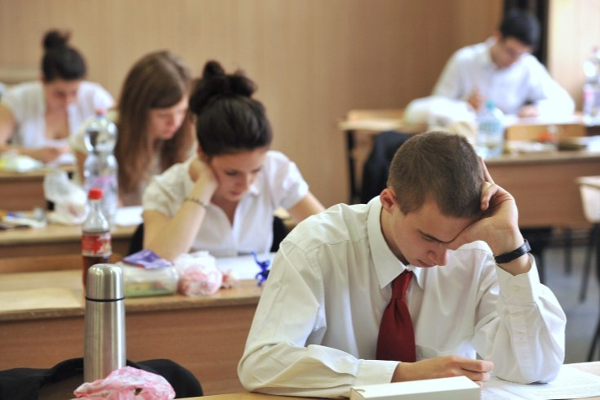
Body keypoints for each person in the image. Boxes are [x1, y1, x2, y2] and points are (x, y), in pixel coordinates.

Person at [238, 131, 566, 398]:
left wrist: (510, 246)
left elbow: (536, 370)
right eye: (430, 238)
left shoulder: (478, 249)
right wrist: (400, 375)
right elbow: (262, 362)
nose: (443, 258)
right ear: (389, 201)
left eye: (456, 240)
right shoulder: (317, 246)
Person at [142, 60, 325, 260]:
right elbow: (156, 262)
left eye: (255, 170)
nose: (246, 183)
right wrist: (204, 185)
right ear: (202, 153)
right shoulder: (166, 189)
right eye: (232, 173)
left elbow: (329, 236)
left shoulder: (276, 170)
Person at [72, 50, 195, 206]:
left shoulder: (186, 136)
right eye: (163, 115)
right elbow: (104, 206)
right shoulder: (100, 133)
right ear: (138, 111)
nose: (175, 122)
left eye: (181, 111)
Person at [432, 9, 574, 118]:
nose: (515, 60)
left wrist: (537, 110)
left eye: (521, 54)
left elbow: (565, 103)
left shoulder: (528, 65)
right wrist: (464, 106)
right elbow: (434, 107)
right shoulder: (464, 60)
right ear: (498, 37)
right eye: (511, 52)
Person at [0, 29, 114, 163]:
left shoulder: (95, 97)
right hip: (31, 176)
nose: (68, 100)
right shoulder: (18, 99)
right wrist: (32, 154)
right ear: (42, 81)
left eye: (74, 92)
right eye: (59, 94)